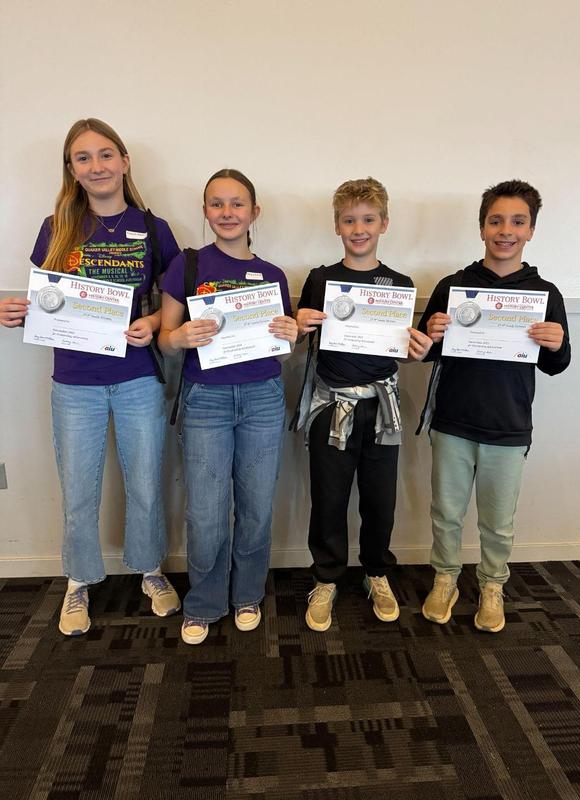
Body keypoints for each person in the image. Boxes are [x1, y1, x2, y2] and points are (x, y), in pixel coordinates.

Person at [0, 119, 181, 636]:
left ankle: (149, 569)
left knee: (145, 483)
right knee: (79, 488)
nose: (96, 166)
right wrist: (16, 313)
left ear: (124, 161)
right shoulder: (56, 227)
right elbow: (48, 302)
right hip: (74, 382)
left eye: (105, 154)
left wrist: (153, 322)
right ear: (72, 170)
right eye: (83, 158)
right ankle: (78, 580)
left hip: (138, 377)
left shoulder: (154, 228)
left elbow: (175, 302)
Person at [418, 179, 571, 633]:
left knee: (498, 522)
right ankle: (445, 578)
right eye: (496, 221)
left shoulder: (545, 294)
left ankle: (491, 585)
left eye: (517, 222)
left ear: (531, 230)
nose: (506, 230)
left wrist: (557, 343)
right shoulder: (453, 286)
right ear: (482, 227)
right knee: (445, 513)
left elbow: (556, 365)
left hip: (508, 425)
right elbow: (425, 351)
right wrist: (432, 333)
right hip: (453, 422)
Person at [159, 168, 297, 645]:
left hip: (262, 397)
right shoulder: (187, 265)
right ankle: (203, 602)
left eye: (237, 203)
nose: (227, 212)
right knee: (206, 511)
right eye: (216, 204)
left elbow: (280, 351)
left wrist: (291, 338)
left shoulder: (273, 275)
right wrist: (179, 336)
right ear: (205, 212)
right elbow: (165, 340)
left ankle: (247, 595)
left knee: (256, 507)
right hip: (206, 401)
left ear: (254, 212)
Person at [294, 177, 432, 632]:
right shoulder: (320, 279)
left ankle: (376, 572)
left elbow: (399, 352)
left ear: (384, 224)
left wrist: (416, 350)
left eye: (368, 219)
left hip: (382, 409)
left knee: (380, 500)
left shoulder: (399, 284)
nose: (359, 229)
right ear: (337, 225)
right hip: (331, 405)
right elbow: (300, 341)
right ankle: (326, 578)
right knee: (328, 498)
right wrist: (298, 323)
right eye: (349, 220)